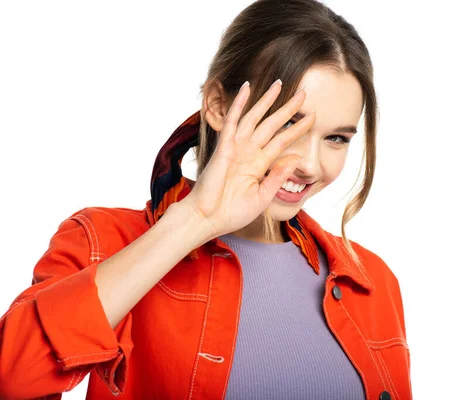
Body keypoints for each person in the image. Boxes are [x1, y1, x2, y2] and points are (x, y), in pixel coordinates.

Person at [0, 0, 411, 399]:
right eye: (287, 124)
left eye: (336, 138)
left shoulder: (372, 282)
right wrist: (195, 219)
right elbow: (10, 377)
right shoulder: (102, 242)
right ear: (218, 104)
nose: (309, 164)